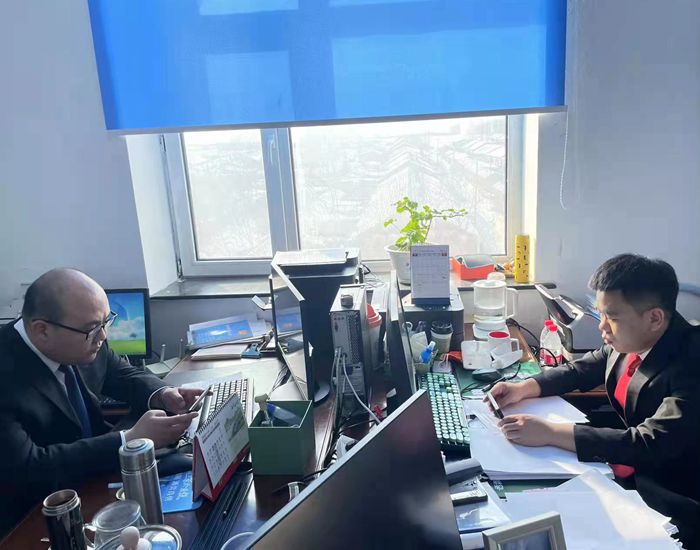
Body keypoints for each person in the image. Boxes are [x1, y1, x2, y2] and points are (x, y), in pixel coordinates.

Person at [489, 254, 700, 547]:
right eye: (599, 313)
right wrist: (525, 387)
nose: (602, 327)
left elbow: (649, 443)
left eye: (612, 317)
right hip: (629, 469)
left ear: (654, 318)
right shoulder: (635, 339)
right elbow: (585, 368)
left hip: (674, 494)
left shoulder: (692, 364)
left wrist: (551, 432)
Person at [0, 268, 203, 535]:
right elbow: (30, 469)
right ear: (42, 330)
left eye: (106, 322)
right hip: (35, 517)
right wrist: (128, 440)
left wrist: (164, 394)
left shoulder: (81, 336)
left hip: (96, 484)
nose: (103, 336)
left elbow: (119, 372)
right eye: (93, 329)